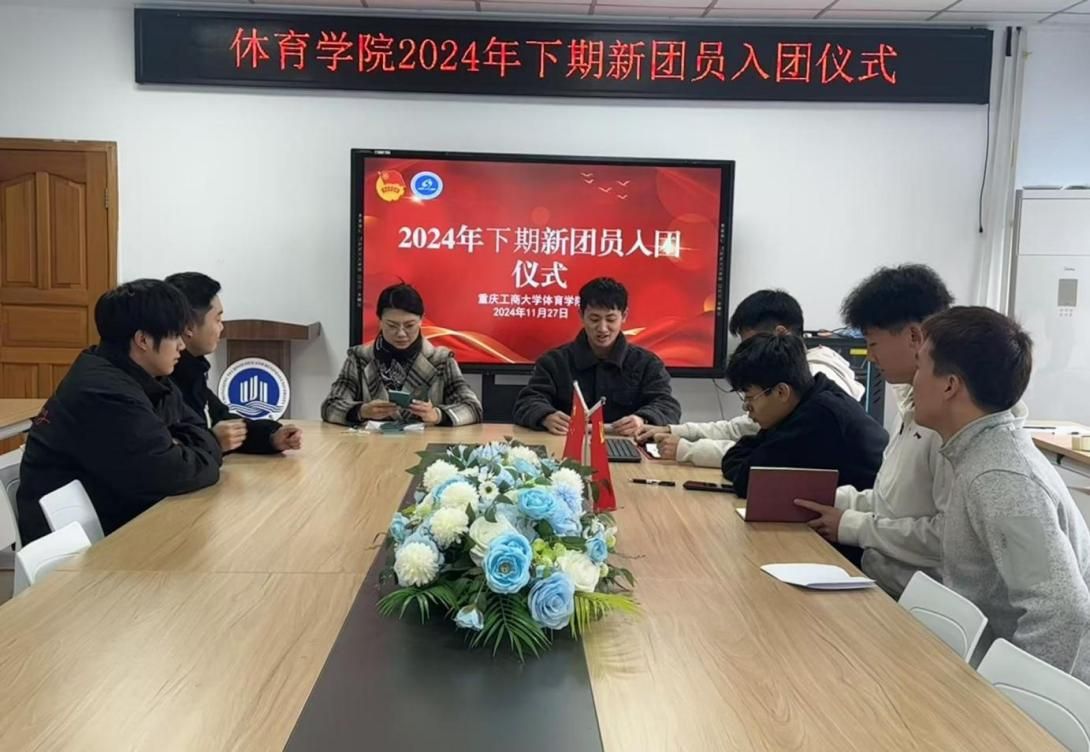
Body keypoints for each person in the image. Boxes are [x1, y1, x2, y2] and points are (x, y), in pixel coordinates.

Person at [914, 306, 1090, 681]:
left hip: (1032, 698)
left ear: (949, 385)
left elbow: (1059, 608)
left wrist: (1016, 699)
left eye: (920, 367)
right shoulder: (981, 453)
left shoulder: (1001, 478)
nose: (913, 382)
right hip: (978, 669)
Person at [16, 280, 222, 543]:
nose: (182, 345)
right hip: (78, 549)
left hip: (117, 522)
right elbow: (170, 474)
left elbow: (196, 431)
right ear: (143, 340)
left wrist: (187, 445)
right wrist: (194, 446)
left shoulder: (148, 378)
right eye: (174, 336)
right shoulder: (102, 392)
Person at [793, 265, 953, 596]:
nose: (869, 356)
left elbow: (946, 538)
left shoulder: (946, 422)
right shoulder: (910, 405)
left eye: (873, 343)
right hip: (878, 582)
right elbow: (889, 503)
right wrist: (826, 498)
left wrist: (853, 526)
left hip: (914, 600)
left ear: (914, 337)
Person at [637, 289, 864, 466]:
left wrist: (687, 449)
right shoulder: (793, 375)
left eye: (751, 342)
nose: (747, 352)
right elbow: (744, 430)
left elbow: (768, 455)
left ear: (780, 334)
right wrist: (675, 431)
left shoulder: (814, 382)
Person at [720, 332, 887, 501]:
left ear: (781, 392)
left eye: (750, 398)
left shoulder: (819, 418)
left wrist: (748, 458)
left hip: (870, 512)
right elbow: (744, 455)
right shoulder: (811, 397)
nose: (746, 408)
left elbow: (748, 481)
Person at [512, 277, 681, 436]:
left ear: (624, 316)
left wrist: (642, 419)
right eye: (594, 319)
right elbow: (528, 401)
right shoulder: (554, 362)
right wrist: (545, 416)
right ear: (581, 315)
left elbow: (667, 405)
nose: (602, 328)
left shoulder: (647, 363)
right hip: (566, 445)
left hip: (627, 446)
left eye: (611, 319)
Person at [166, 272, 302, 454]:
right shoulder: (163, 379)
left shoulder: (194, 370)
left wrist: (271, 437)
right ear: (188, 327)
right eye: (217, 320)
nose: (221, 327)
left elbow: (224, 421)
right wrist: (213, 441)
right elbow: (174, 450)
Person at [322, 282, 482, 426]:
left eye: (409, 325)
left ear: (421, 320)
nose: (401, 333)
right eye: (392, 325)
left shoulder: (440, 360)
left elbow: (472, 407)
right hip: (371, 445)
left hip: (425, 444)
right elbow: (330, 406)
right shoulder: (360, 358)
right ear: (380, 321)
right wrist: (361, 411)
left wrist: (437, 415)